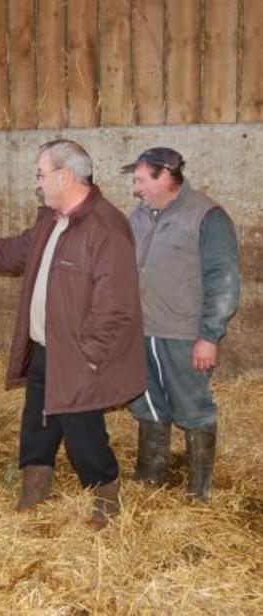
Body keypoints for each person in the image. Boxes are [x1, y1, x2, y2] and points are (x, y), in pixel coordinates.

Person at [0, 139, 146, 529]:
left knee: (82, 430)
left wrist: (90, 354)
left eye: (41, 174)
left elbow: (116, 304)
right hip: (44, 346)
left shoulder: (106, 227)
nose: (37, 183)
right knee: (37, 419)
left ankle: (105, 494)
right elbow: (16, 252)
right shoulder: (49, 221)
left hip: (80, 353)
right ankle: (34, 488)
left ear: (65, 175)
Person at [121, 147, 240, 501]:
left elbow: (224, 279)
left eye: (141, 180)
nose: (135, 188)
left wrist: (209, 336)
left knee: (193, 407)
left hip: (183, 334)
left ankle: (198, 491)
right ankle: (150, 477)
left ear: (166, 176)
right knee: (147, 403)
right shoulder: (138, 217)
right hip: (142, 330)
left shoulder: (207, 215)